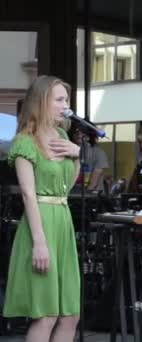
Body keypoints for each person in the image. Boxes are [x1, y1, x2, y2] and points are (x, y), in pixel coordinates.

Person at [3, 76, 82, 341]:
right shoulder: (26, 141)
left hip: (62, 218)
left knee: (70, 314)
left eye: (66, 100)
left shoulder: (61, 136)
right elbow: (28, 194)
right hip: (41, 223)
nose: (65, 106)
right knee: (46, 313)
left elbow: (66, 187)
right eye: (59, 100)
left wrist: (77, 155)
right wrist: (39, 242)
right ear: (42, 102)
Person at [68, 123, 109, 192]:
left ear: (89, 135)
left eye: (83, 132)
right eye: (76, 132)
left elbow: (95, 179)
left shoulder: (98, 153)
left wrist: (88, 193)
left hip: (92, 196)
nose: (79, 134)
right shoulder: (67, 151)